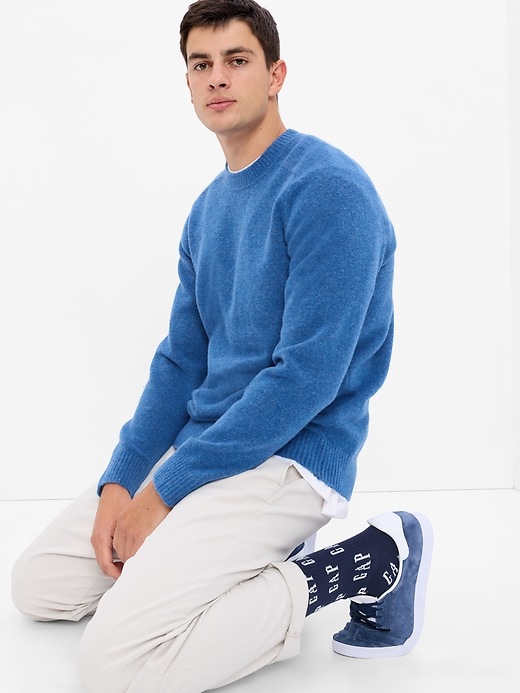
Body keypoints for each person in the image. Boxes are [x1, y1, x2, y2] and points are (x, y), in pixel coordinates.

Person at [11, 1, 433, 691]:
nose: (217, 77)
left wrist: (165, 493)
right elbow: (181, 362)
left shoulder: (328, 190)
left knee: (112, 666)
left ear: (276, 75)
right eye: (200, 64)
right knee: (40, 584)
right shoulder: (207, 210)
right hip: (211, 447)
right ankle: (233, 563)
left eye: (237, 60)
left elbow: (306, 378)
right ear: (186, 82)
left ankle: (364, 559)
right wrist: (122, 481)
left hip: (290, 457)